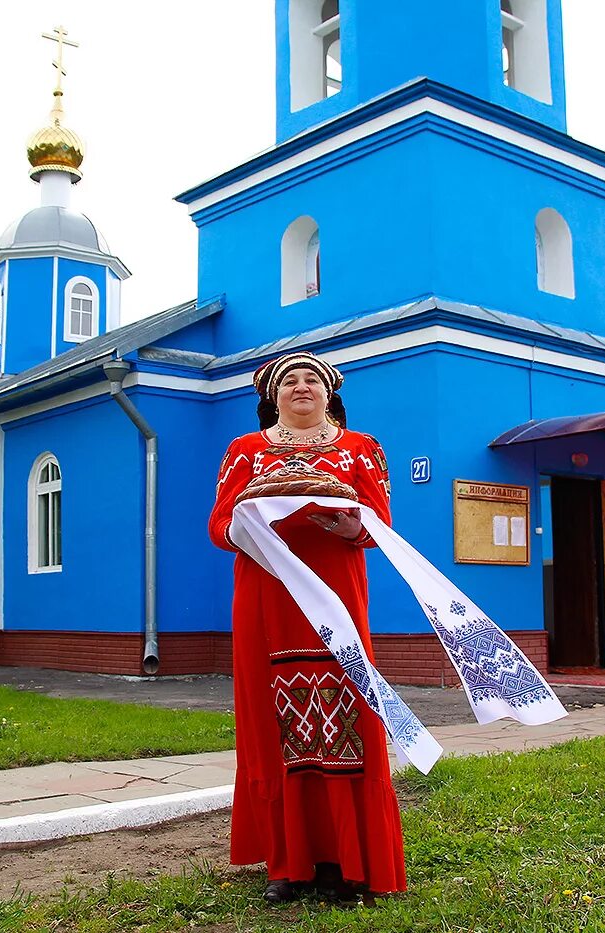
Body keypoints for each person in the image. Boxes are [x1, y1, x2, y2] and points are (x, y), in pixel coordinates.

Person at [208, 351, 404, 905]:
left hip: (336, 597)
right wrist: (250, 526)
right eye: (289, 381)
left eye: (311, 380)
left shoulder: (359, 449)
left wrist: (349, 526)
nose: (300, 387)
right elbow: (220, 523)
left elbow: (379, 521)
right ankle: (288, 862)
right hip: (268, 596)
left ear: (328, 392)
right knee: (271, 721)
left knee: (348, 711)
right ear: (271, 396)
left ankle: (352, 862)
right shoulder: (244, 452)